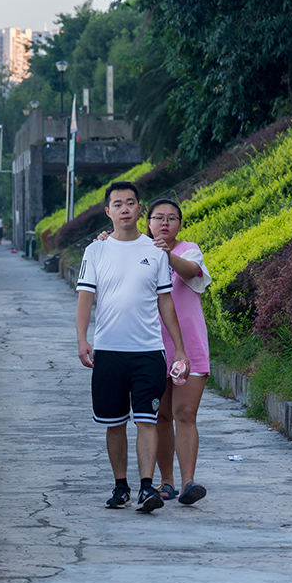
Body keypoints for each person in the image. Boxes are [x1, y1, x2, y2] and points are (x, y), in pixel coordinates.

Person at [75, 181, 189, 513]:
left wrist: (179, 349)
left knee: (146, 420)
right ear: (108, 211)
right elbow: (85, 299)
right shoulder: (95, 251)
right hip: (109, 351)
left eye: (130, 203)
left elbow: (166, 302)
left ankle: (147, 487)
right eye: (118, 204)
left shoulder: (155, 251)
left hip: (148, 352)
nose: (125, 209)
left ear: (140, 209)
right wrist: (82, 339)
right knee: (114, 423)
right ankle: (121, 486)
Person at [146, 198, 211, 505]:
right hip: (151, 344)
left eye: (171, 218)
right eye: (158, 217)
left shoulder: (189, 250)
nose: (165, 223)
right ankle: (166, 482)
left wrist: (167, 255)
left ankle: (188, 482)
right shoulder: (138, 251)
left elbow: (192, 272)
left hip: (190, 345)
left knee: (185, 414)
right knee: (160, 416)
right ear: (148, 222)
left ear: (180, 224)